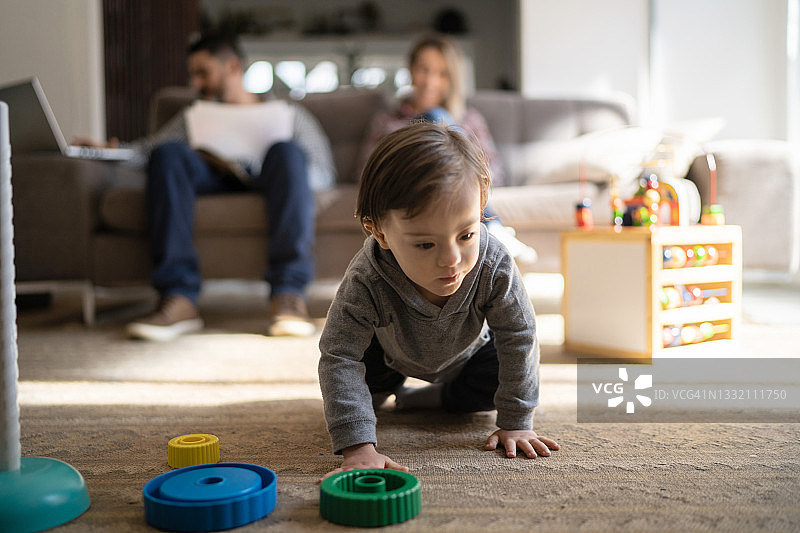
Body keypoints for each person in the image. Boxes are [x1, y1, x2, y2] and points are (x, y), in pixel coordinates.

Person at [318, 123, 559, 478]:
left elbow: (519, 334)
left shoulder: (494, 263)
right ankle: (391, 392)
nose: (451, 259)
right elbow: (339, 355)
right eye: (425, 244)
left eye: (466, 234)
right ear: (379, 232)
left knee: (497, 378)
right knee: (352, 393)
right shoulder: (366, 278)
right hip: (387, 357)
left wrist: (517, 421)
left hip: (469, 355)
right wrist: (358, 446)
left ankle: (433, 398)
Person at [78, 34, 336, 341]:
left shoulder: (289, 114)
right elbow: (148, 152)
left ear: (232, 67)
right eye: (193, 75)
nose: (196, 84)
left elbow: (322, 173)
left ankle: (288, 296)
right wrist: (107, 151)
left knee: (288, 152)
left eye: (203, 73)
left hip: (270, 182)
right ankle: (179, 297)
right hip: (211, 180)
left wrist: (279, 166)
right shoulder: (193, 115)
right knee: (168, 153)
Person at [356, 33, 538, 268]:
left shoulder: (469, 119)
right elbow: (367, 174)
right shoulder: (388, 122)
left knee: (435, 118)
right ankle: (494, 229)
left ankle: (491, 227)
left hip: (458, 190)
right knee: (432, 120)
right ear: (411, 69)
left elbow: (491, 174)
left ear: (452, 79)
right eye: (424, 69)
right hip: (408, 190)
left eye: (441, 74)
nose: (430, 81)